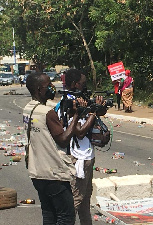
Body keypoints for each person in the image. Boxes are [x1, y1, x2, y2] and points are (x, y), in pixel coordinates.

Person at [23, 72, 85, 225]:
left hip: (37, 171)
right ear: (39, 89)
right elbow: (63, 140)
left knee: (49, 214)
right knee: (66, 217)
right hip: (54, 173)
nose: (52, 87)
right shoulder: (47, 112)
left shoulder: (28, 109)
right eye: (48, 85)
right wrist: (77, 115)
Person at [60, 69, 107, 225]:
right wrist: (92, 112)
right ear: (75, 84)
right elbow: (79, 132)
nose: (85, 86)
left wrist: (97, 108)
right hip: (79, 157)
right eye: (83, 83)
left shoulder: (76, 99)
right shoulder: (73, 103)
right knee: (76, 200)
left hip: (85, 156)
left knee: (85, 200)